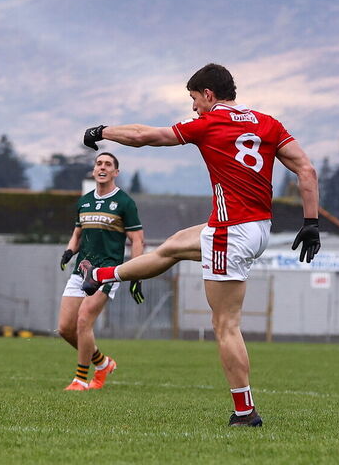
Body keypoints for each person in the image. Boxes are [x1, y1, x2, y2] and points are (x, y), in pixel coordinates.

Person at [79, 63, 320, 427]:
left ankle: (245, 412)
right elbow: (306, 169)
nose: (193, 107)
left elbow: (146, 136)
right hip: (256, 227)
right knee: (174, 246)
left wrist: (102, 131)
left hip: (231, 230)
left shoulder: (209, 124)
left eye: (194, 99)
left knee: (225, 325)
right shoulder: (268, 123)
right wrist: (311, 223)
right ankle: (102, 274)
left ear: (209, 94)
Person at [57, 152, 144, 391]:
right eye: (99, 163)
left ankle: (80, 379)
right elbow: (77, 234)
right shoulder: (84, 201)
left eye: (108, 164)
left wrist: (136, 273)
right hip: (81, 270)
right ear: (94, 171)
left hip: (107, 272)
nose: (102, 167)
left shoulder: (125, 202)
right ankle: (103, 363)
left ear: (116, 172)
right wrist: (69, 251)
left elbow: (137, 240)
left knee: (83, 321)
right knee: (65, 328)